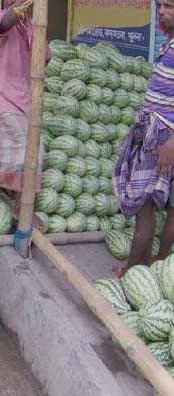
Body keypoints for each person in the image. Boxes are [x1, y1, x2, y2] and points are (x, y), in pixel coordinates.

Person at [113, 0, 174, 277]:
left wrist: (171, 143)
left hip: (161, 136)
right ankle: (148, 264)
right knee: (155, 206)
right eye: (160, 5)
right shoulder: (168, 45)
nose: (162, 11)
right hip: (153, 130)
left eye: (170, 6)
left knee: (144, 206)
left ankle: (132, 269)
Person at [0, 0, 47, 211]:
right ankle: (22, 207)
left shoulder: (30, 25)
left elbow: (46, 56)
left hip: (24, 99)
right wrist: (22, 5)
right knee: (33, 149)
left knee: (2, 149)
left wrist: (37, 30)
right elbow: (7, 19)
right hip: (4, 96)